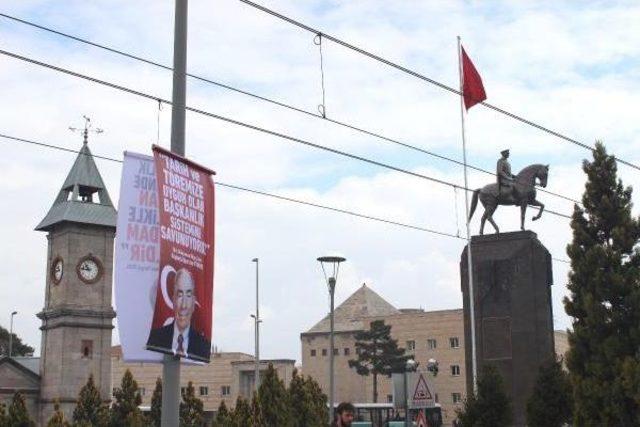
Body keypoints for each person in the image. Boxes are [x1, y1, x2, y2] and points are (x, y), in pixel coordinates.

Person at [146, 268, 211, 360]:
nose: (183, 305)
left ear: (193, 303)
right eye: (180, 295)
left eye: (188, 296)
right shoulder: (156, 338)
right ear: (173, 301)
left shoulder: (203, 346)